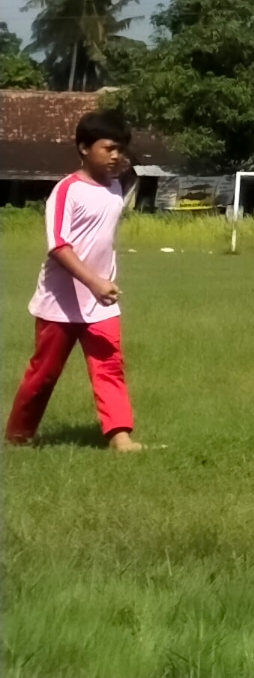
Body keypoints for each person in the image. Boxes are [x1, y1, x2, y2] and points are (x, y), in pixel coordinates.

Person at [8, 110, 140, 451]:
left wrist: (100, 286)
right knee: (44, 374)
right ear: (83, 147)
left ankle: (120, 437)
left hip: (101, 303)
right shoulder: (67, 190)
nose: (116, 156)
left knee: (109, 366)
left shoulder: (116, 186)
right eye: (109, 148)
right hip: (60, 303)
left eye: (121, 149)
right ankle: (18, 437)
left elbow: (132, 170)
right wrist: (94, 282)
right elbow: (58, 246)